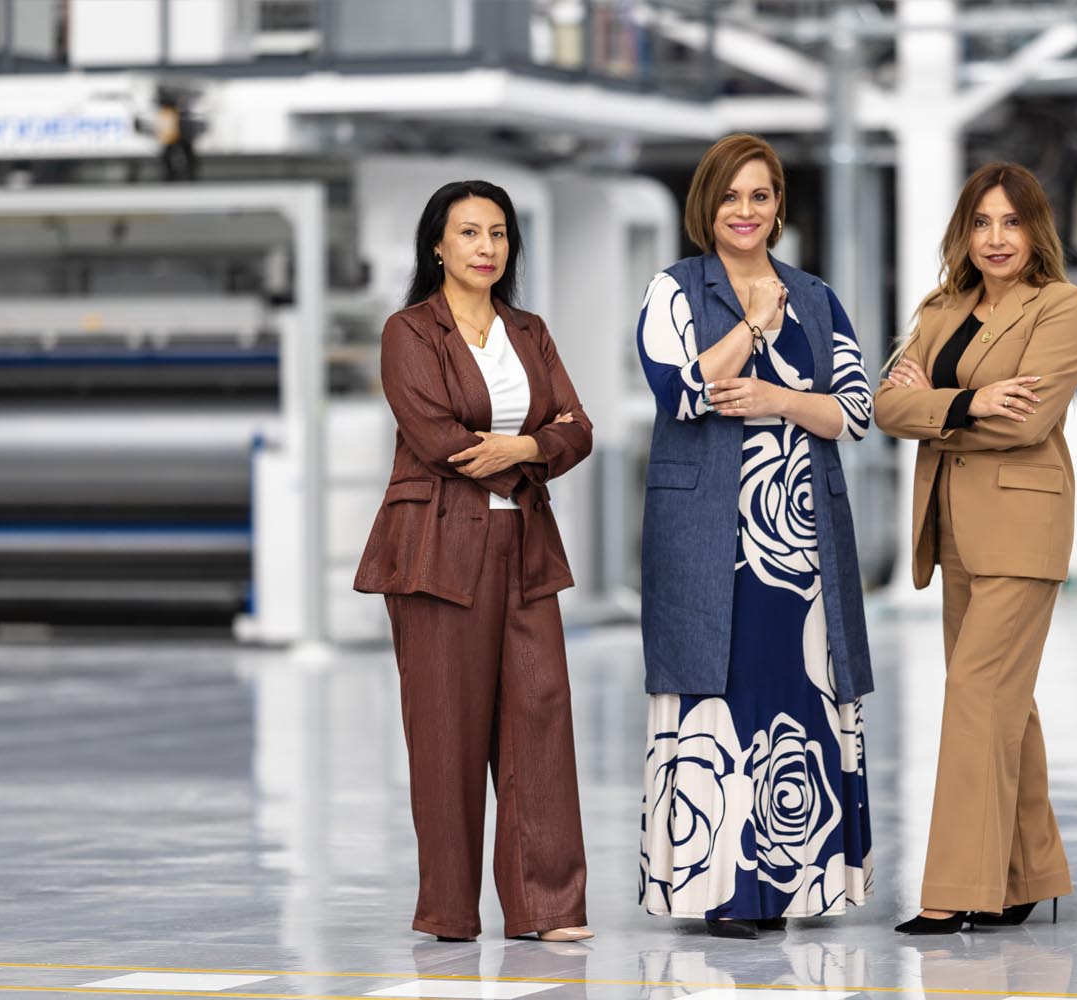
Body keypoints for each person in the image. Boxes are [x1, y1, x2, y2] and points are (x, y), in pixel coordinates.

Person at [636, 133, 875, 939]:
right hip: (706, 536)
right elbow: (679, 391)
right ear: (708, 205)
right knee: (717, 699)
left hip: (800, 540)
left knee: (795, 699)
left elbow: (855, 411)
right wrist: (753, 323)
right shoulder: (673, 289)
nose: (746, 211)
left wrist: (778, 399)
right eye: (731, 197)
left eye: (761, 196)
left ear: (779, 206)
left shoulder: (818, 296)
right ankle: (725, 891)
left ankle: (798, 887)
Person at [353, 180, 594, 944]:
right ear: (437, 245)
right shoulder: (409, 332)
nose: (486, 247)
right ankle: (450, 910)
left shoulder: (530, 331)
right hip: (436, 550)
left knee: (541, 715)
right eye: (468, 233)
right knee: (446, 731)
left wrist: (523, 446)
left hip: (525, 546)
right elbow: (435, 437)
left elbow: (579, 428)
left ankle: (547, 908)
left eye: (498, 233)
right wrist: (534, 449)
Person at [874, 162, 1077, 934]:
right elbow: (886, 406)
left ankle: (957, 890)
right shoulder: (941, 310)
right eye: (981, 222)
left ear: (1036, 231)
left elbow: (1028, 421)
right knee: (1001, 703)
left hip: (1022, 530)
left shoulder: (1061, 306)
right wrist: (970, 402)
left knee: (974, 693)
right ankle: (1028, 874)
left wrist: (936, 407)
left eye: (1011, 222)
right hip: (954, 530)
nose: (996, 238)